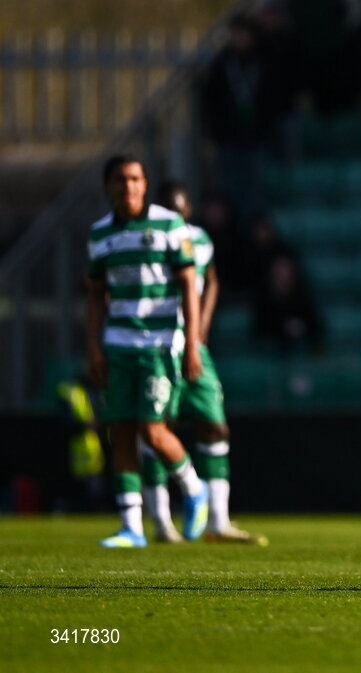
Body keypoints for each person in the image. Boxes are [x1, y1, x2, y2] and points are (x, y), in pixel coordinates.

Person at [86, 155, 209, 548]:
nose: (130, 186)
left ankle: (193, 488)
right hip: (118, 343)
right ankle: (131, 527)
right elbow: (94, 295)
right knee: (121, 432)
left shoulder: (169, 225)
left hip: (158, 345)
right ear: (108, 186)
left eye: (137, 178)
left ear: (145, 182)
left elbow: (189, 283)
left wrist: (192, 341)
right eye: (122, 179)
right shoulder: (100, 234)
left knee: (153, 431)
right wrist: (94, 347)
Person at [138, 181, 268, 545]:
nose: (174, 218)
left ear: (188, 212)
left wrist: (204, 320)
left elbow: (210, 279)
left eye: (179, 210)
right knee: (154, 429)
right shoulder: (145, 242)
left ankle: (218, 522)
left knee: (215, 426)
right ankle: (162, 522)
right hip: (158, 345)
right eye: (167, 210)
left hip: (192, 344)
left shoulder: (199, 240)